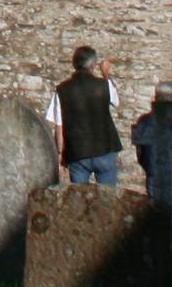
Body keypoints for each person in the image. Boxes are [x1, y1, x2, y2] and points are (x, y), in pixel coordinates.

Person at [43, 45, 122, 186]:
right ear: (93, 65)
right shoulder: (103, 85)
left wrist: (61, 155)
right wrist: (106, 74)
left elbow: (59, 126)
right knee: (109, 198)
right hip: (105, 148)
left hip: (77, 152)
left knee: (79, 200)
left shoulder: (62, 90)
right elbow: (116, 101)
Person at [130, 83, 172, 248]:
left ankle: (159, 252)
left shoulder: (144, 123)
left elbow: (140, 152)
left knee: (157, 218)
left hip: (155, 174)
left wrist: (148, 169)